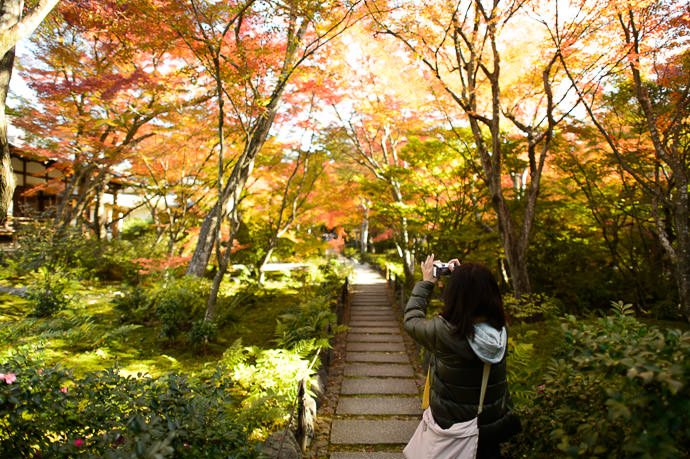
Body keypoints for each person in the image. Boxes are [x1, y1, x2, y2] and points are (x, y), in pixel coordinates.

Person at [403, 254, 520, 459]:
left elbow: (412, 320)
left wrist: (426, 283)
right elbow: (475, 297)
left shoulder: (444, 332)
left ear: (454, 295)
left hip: (454, 428)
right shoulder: (500, 329)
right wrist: (467, 278)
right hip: (488, 428)